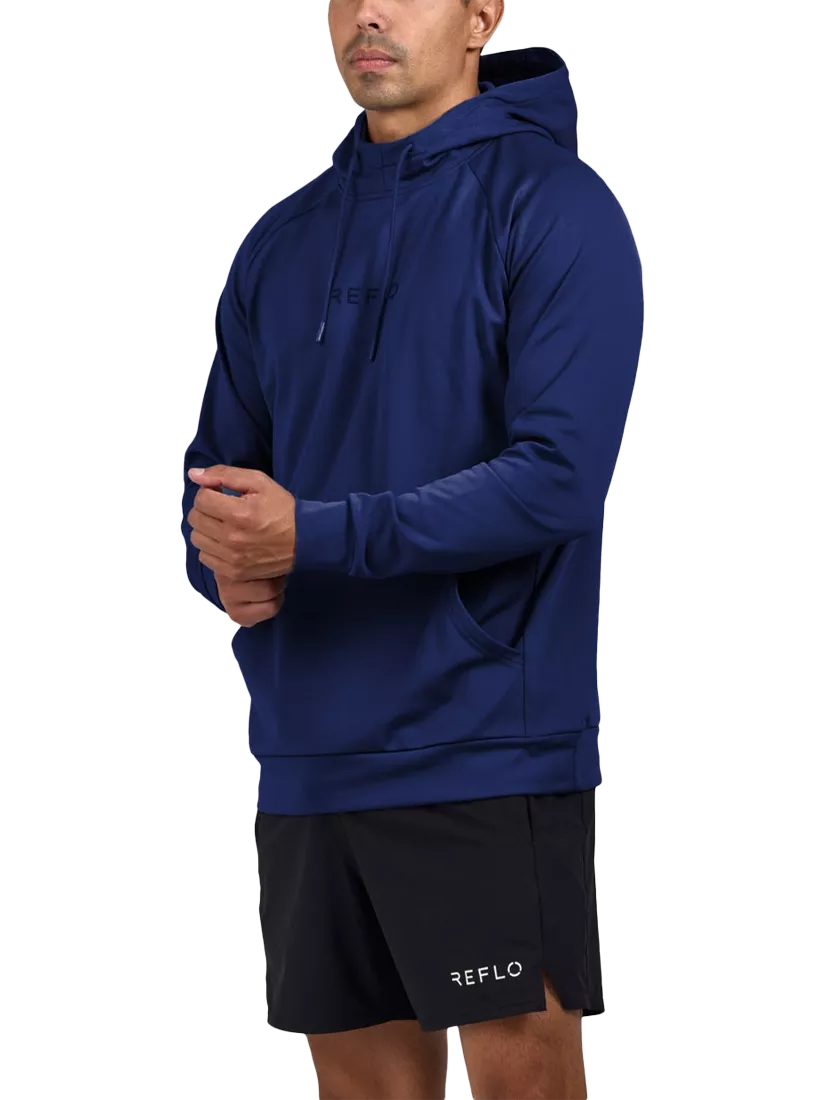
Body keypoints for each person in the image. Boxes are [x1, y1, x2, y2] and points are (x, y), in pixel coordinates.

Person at [181, 1, 644, 1096]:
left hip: (482, 738)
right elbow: (216, 481)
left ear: (481, 15)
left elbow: (558, 477)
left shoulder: (553, 204)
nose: (369, 14)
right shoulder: (283, 238)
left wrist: (312, 534)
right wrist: (221, 563)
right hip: (310, 748)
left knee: (523, 1078)